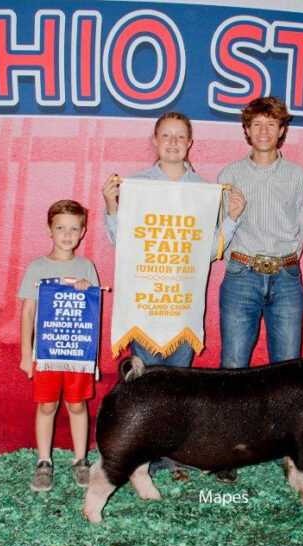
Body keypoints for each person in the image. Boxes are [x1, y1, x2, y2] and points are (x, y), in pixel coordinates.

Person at [100, 111, 246, 482]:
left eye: (180, 137)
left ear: (190, 143)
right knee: (142, 389)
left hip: (180, 305)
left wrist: (232, 217)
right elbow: (120, 241)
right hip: (145, 304)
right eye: (166, 135)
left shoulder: (203, 189)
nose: (173, 142)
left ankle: (170, 456)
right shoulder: (135, 185)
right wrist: (113, 206)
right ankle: (132, 455)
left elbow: (212, 249)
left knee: (178, 391)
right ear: (154, 140)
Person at [215, 96, 303, 482]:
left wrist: (283, 264)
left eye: (272, 124)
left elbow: (300, 232)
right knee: (234, 366)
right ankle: (227, 449)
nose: (264, 131)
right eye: (257, 124)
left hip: (287, 275)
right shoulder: (229, 174)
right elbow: (221, 232)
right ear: (247, 130)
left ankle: (282, 448)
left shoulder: (300, 176)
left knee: (287, 371)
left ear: (282, 130)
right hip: (241, 273)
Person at [18, 199, 100, 492]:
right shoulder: (37, 267)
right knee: (47, 404)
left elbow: (92, 312)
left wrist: (86, 289)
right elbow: (28, 311)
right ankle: (44, 462)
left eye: (74, 228)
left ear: (83, 232)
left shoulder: (86, 266)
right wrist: (27, 353)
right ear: (48, 230)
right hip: (47, 353)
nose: (67, 234)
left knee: (77, 404)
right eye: (61, 228)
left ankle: (81, 460)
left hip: (77, 354)